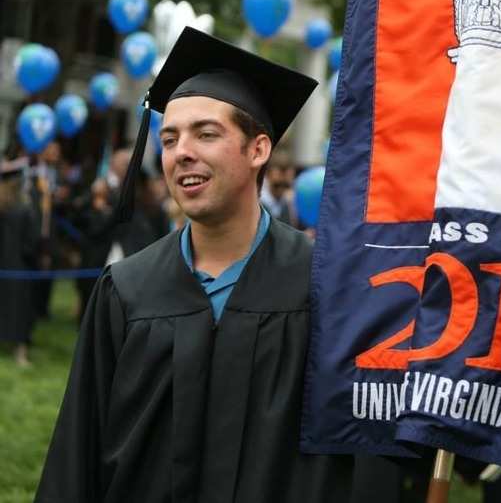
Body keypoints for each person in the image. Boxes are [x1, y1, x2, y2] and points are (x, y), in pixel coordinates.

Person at [35, 27, 353, 503]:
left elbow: (355, 458)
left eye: (206, 133)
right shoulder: (127, 289)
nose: (181, 151)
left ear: (258, 149)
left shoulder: (321, 284)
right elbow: (78, 451)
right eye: (169, 137)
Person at [0, 158, 39, 366]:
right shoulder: (25, 210)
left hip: (3, 267)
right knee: (19, 309)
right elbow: (30, 243)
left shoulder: (2, 208)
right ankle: (20, 353)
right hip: (20, 267)